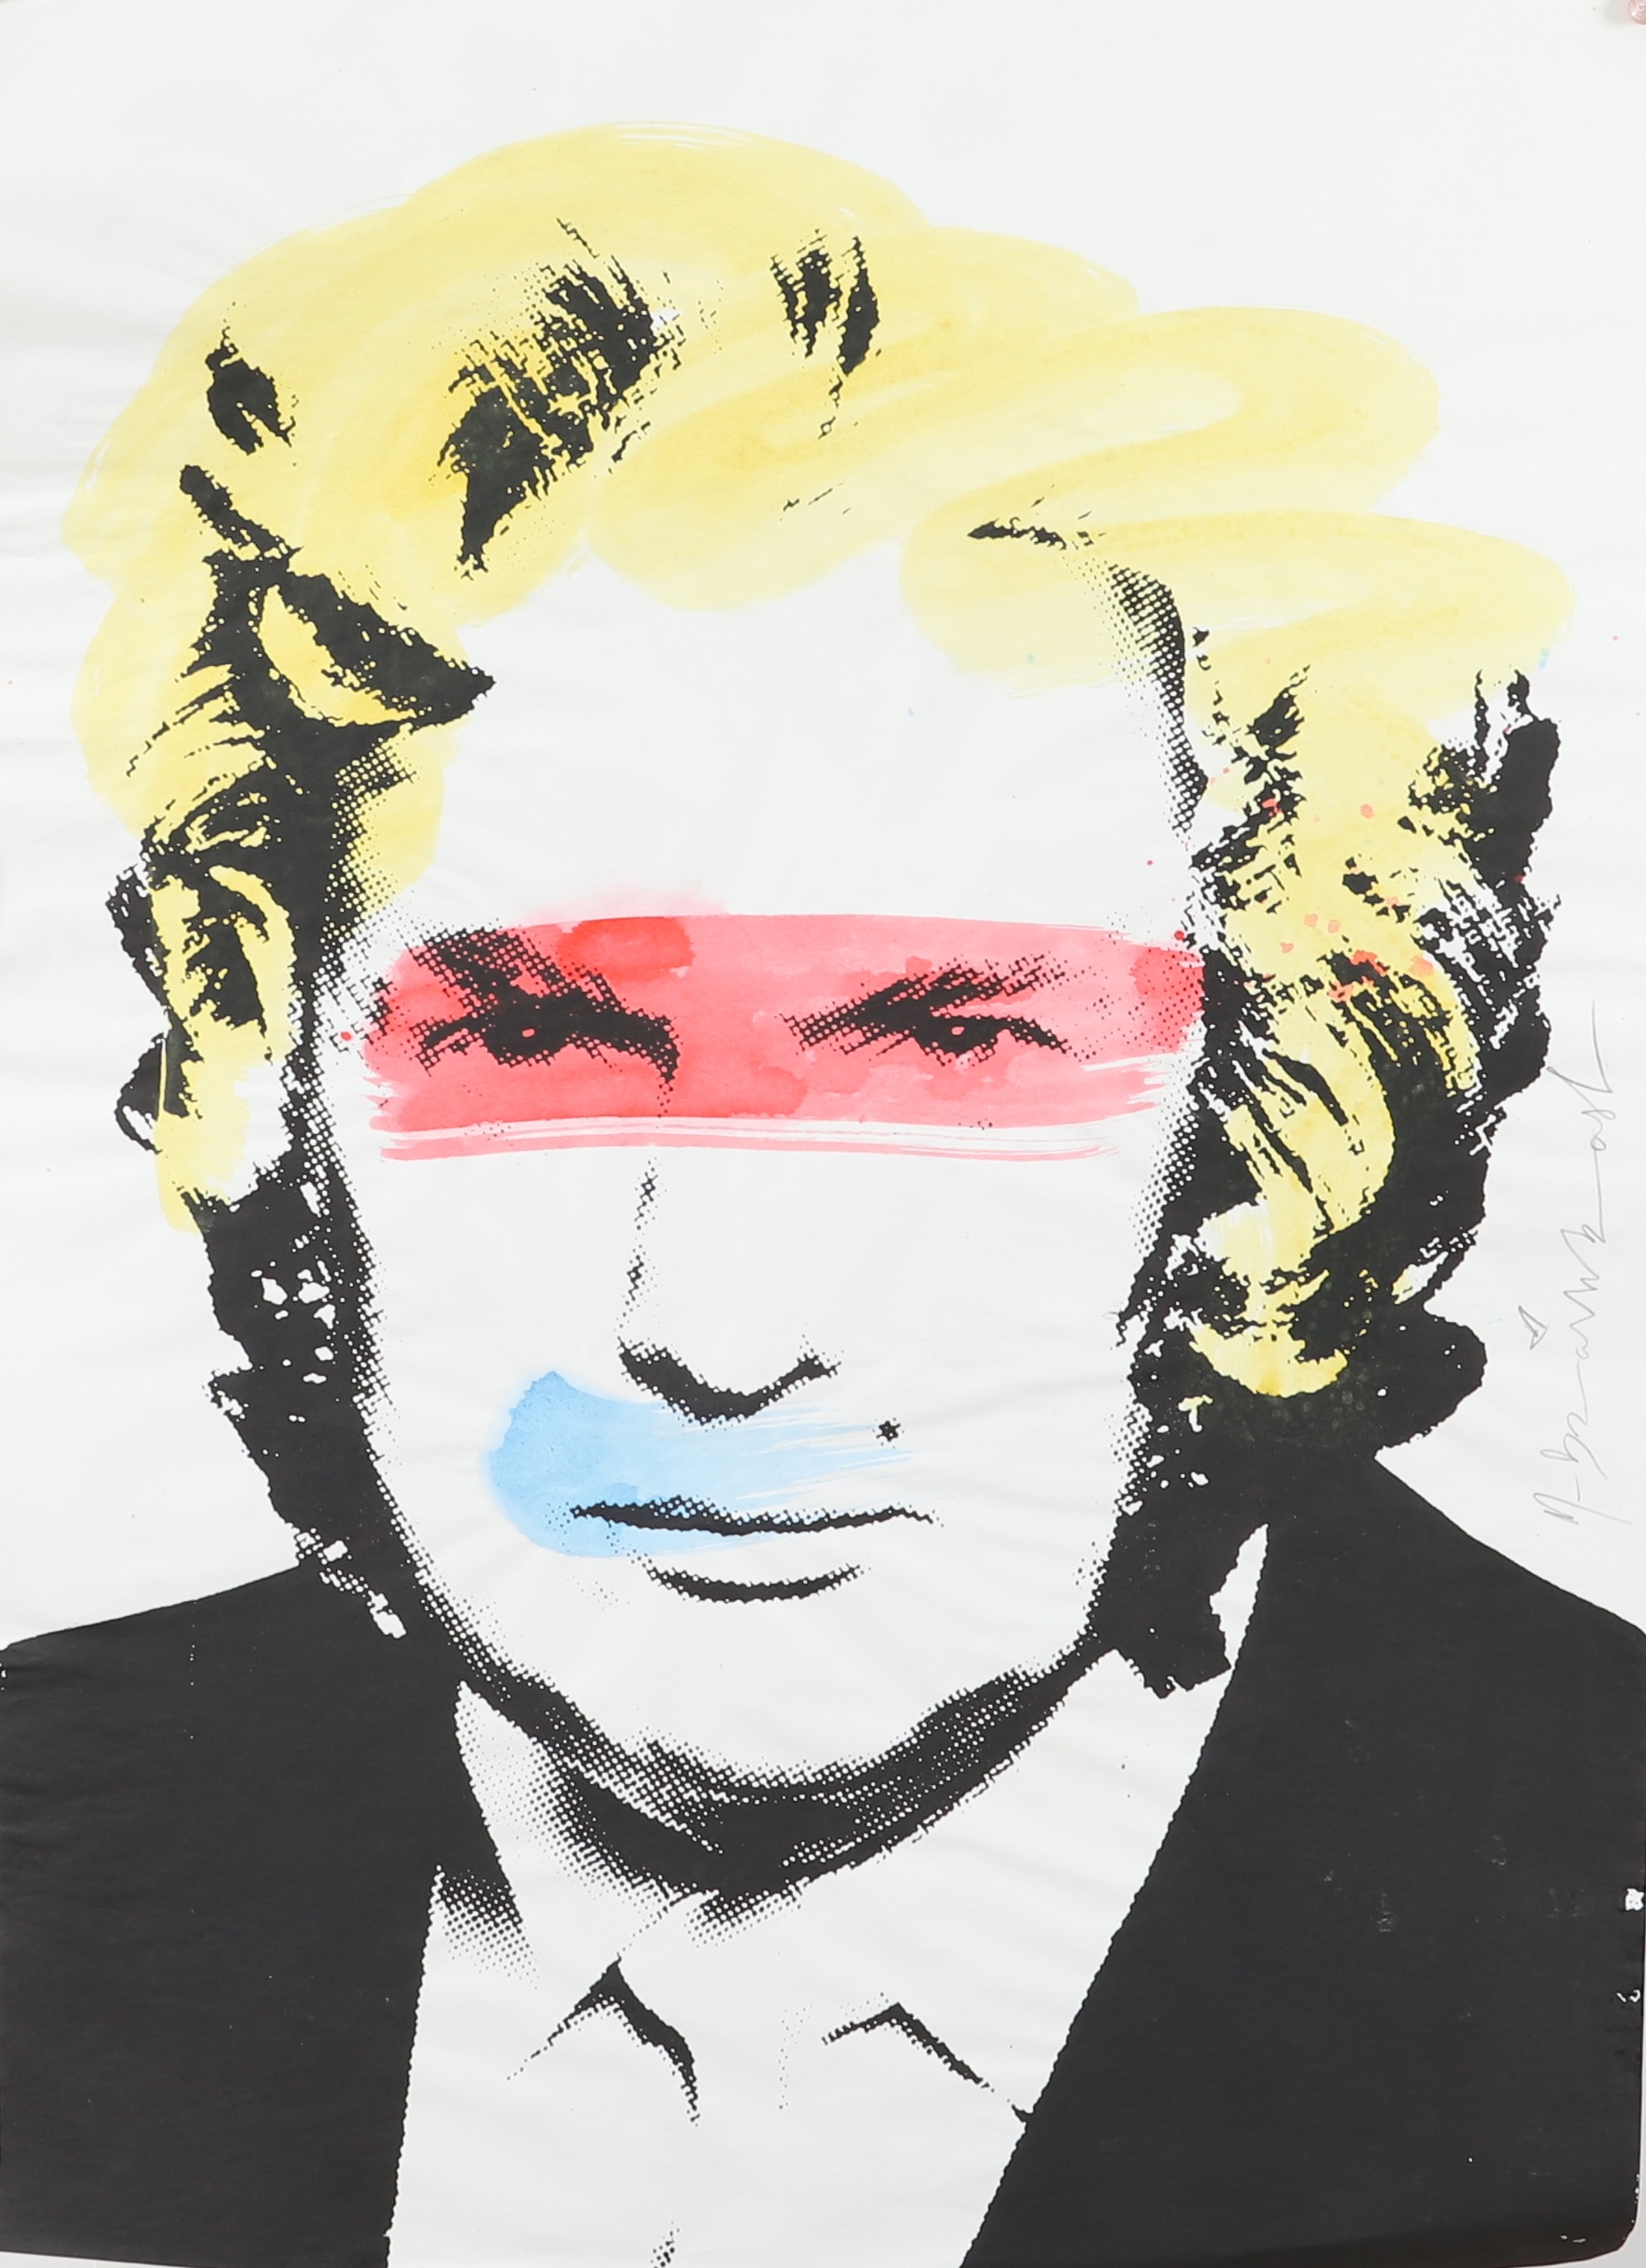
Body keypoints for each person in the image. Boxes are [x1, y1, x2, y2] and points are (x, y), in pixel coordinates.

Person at [1, 123, 1641, 2268]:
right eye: (532, 1036)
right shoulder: (58, 1816)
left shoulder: (1577, 1847)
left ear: (1271, 1114)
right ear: (280, 1084)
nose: (716, 1322)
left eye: (958, 1042)